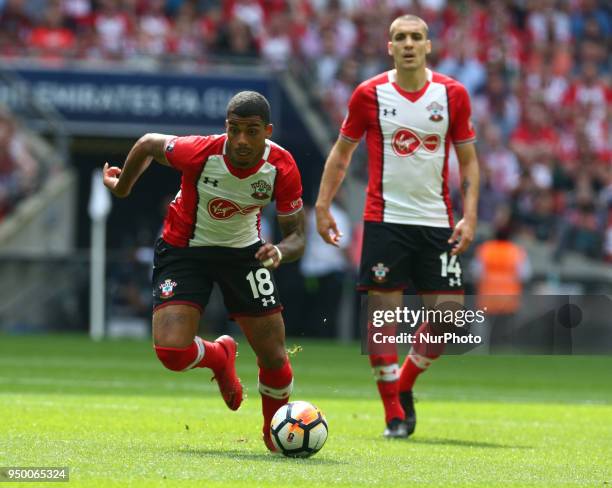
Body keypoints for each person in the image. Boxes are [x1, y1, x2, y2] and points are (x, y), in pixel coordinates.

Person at [102, 91, 305, 452]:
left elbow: (297, 237)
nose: (241, 140)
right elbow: (149, 144)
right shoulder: (200, 151)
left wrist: (280, 251)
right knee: (171, 352)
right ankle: (218, 356)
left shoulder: (282, 166)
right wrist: (122, 187)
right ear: (225, 128)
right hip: (184, 251)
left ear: (267, 131)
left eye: (251, 131)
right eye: (234, 129)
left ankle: (274, 436)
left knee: (274, 355)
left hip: (244, 254)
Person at [315, 15, 480, 438]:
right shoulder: (369, 93)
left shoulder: (453, 94)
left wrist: (471, 214)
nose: (408, 44)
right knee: (382, 320)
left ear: (428, 45)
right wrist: (322, 205)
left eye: (416, 37)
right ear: (389, 47)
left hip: (437, 221)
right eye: (400, 38)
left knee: (449, 316)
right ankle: (393, 414)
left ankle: (402, 385)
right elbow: (341, 154)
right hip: (385, 220)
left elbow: (468, 160)